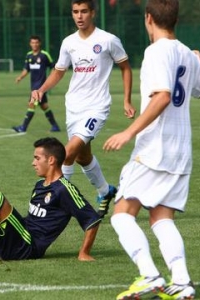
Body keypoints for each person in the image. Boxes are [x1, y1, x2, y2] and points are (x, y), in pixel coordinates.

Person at [101, 0, 200, 299]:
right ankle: (181, 281)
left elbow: (163, 97)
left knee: (121, 214)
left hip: (154, 149)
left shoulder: (156, 51)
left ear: (149, 18)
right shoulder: (187, 54)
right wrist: (198, 63)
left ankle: (149, 275)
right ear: (176, 19)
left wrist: (128, 132)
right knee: (161, 218)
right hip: (181, 152)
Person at [30, 0, 135, 218]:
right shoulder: (69, 42)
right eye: (75, 12)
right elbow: (58, 71)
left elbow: (125, 67)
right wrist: (40, 89)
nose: (79, 16)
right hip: (74, 107)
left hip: (97, 108)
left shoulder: (108, 40)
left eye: (84, 11)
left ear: (93, 13)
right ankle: (105, 191)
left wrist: (126, 100)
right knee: (82, 157)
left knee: (66, 154)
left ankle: (54, 204)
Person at [12, 35, 61, 133]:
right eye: (33, 43)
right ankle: (55, 126)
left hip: (40, 87)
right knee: (44, 106)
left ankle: (23, 127)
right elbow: (26, 69)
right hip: (33, 86)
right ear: (30, 44)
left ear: (39, 43)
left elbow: (54, 66)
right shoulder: (29, 55)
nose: (34, 44)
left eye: (36, 42)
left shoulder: (44, 55)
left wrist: (52, 76)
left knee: (31, 104)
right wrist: (20, 77)